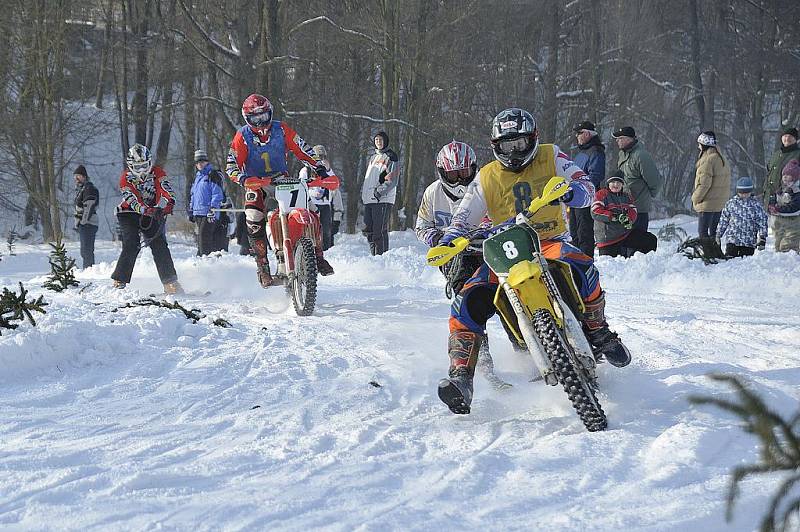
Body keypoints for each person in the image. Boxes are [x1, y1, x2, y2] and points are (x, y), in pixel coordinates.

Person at [436, 108, 631, 415]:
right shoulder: (485, 176)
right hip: (504, 251)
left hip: (549, 242)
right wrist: (451, 237)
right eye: (506, 145)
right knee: (466, 301)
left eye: (520, 144)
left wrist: (572, 193)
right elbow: (464, 214)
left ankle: (598, 329)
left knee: (584, 266)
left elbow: (587, 186)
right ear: (495, 146)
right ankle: (461, 377)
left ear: (533, 139)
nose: (513, 152)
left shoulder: (552, 156)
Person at [417, 140, 517, 387]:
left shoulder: (485, 185)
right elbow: (421, 226)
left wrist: (488, 230)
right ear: (442, 172)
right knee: (468, 301)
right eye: (453, 174)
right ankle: (481, 364)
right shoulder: (432, 193)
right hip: (454, 255)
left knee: (509, 297)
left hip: (489, 248)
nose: (460, 179)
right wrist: (437, 238)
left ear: (473, 168)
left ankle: (526, 350)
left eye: (464, 172)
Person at [226, 93, 337, 287]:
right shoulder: (242, 136)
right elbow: (231, 164)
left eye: (264, 116)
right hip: (256, 182)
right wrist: (242, 178)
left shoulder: (281, 129)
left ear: (270, 114)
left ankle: (318, 256)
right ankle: (263, 266)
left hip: (281, 179)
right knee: (252, 217)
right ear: (247, 119)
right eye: (255, 118)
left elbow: (303, 149)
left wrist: (319, 168)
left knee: (312, 208)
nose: (260, 122)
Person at [111, 144, 182, 294]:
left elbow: (166, 188)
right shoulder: (125, 178)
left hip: (150, 213)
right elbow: (132, 200)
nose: (142, 171)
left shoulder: (157, 172)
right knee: (132, 243)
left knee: (159, 244)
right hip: (128, 213)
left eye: (144, 166)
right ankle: (120, 279)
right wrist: (146, 209)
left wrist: (169, 203)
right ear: (131, 166)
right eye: (137, 167)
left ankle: (170, 281)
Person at [591, 171, 657, 257]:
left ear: (622, 185)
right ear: (608, 183)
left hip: (624, 235)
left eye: (618, 182)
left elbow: (633, 211)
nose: (616, 184)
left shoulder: (626, 196)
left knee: (650, 239)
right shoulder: (602, 194)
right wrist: (614, 216)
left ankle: (644, 262)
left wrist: (628, 220)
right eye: (613, 182)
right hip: (608, 239)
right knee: (610, 263)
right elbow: (595, 211)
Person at [612, 126, 662, 231]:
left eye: (620, 138)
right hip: (624, 206)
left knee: (638, 242)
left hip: (639, 209)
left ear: (629, 139)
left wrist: (646, 197)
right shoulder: (622, 154)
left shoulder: (641, 155)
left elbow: (655, 181)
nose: (617, 141)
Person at [361, 131, 399, 255]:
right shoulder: (373, 157)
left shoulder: (391, 156)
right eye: (376, 140)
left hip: (382, 199)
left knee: (379, 231)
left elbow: (392, 179)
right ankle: (374, 256)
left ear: (385, 141)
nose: (378, 142)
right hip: (369, 199)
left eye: (381, 140)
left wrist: (379, 192)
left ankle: (381, 258)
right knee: (369, 230)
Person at [571, 120, 606, 256]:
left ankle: (586, 261)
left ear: (586, 134)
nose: (577, 136)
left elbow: (596, 175)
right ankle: (576, 261)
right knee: (574, 233)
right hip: (574, 198)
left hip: (586, 198)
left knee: (584, 232)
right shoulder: (581, 152)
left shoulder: (596, 151)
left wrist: (581, 188)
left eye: (579, 133)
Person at [691, 131, 731, 239]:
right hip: (719, 203)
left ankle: (707, 254)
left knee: (703, 233)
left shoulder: (708, 160)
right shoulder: (721, 158)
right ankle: (715, 253)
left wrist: (695, 198)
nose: (698, 146)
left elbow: (704, 184)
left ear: (704, 145)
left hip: (708, 203)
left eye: (699, 144)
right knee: (714, 233)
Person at [716, 177, 768, 257]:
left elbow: (762, 222)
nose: (744, 195)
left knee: (745, 263)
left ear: (751, 191)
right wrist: (718, 234)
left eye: (746, 193)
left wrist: (762, 237)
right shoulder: (731, 204)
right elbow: (724, 220)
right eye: (741, 192)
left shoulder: (756, 205)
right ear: (737, 191)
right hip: (733, 239)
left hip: (748, 241)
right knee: (730, 260)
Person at [188, 149, 225, 256]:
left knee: (204, 237)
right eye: (198, 162)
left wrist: (213, 208)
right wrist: (191, 210)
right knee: (201, 238)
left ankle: (205, 259)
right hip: (198, 212)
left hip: (209, 212)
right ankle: (201, 257)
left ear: (207, 162)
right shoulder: (198, 177)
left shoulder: (212, 175)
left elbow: (217, 193)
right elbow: (193, 195)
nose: (200, 164)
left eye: (202, 161)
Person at [299, 145, 336, 250]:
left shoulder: (327, 169)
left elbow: (334, 183)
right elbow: (301, 185)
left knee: (326, 230)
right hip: (311, 203)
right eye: (317, 156)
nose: (320, 159)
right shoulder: (306, 170)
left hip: (325, 204)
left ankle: (327, 250)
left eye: (322, 156)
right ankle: (311, 250)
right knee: (311, 228)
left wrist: (328, 170)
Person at [763, 126, 800, 208]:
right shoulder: (776, 155)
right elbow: (769, 173)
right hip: (769, 199)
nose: (787, 138)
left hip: (789, 199)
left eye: (790, 136)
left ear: (795, 139)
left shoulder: (798, 154)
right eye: (785, 136)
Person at [768, 160, 800, 253]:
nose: (785, 177)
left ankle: (791, 260)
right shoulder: (781, 189)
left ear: (795, 177)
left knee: (788, 246)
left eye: (788, 175)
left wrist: (778, 209)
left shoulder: (796, 191)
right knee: (777, 246)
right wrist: (772, 204)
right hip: (780, 225)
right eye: (784, 175)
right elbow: (775, 197)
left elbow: (794, 208)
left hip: (793, 225)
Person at [73, 164, 99, 269]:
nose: (76, 179)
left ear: (84, 176)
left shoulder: (89, 189)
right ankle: (88, 268)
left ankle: (89, 270)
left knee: (86, 250)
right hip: (86, 224)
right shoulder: (83, 189)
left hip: (89, 223)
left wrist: (83, 222)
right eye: (75, 177)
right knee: (85, 250)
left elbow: (89, 206)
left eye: (78, 176)